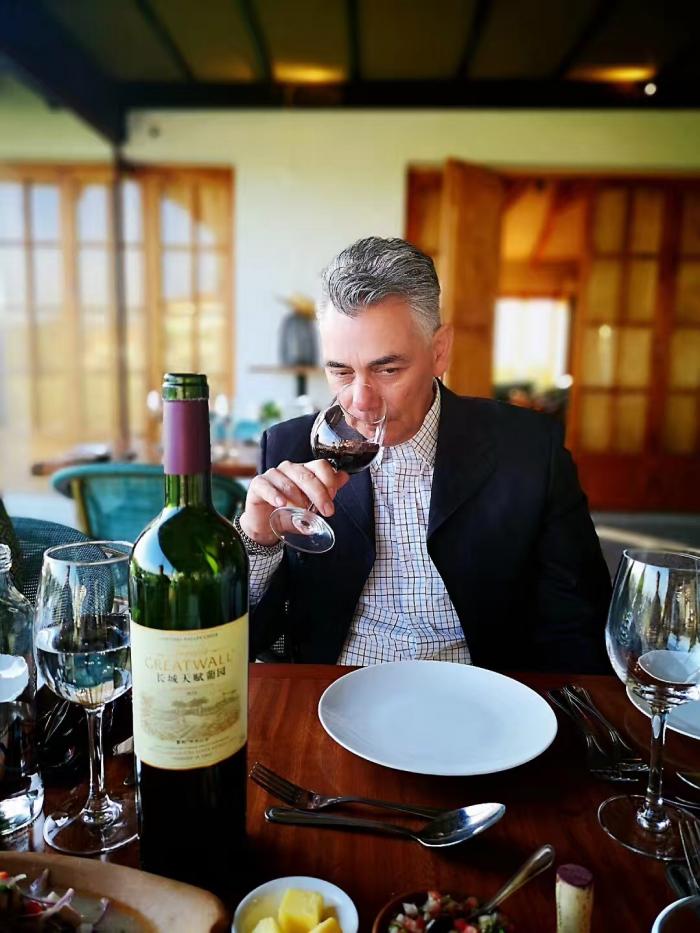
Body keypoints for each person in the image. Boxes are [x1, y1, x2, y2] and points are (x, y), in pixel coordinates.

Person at [235, 237, 612, 673]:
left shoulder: (530, 450)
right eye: (340, 371)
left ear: (439, 351)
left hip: (482, 691)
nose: (360, 402)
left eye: (387, 369)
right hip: (334, 688)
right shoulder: (288, 450)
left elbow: (578, 624)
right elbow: (241, 640)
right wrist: (256, 541)